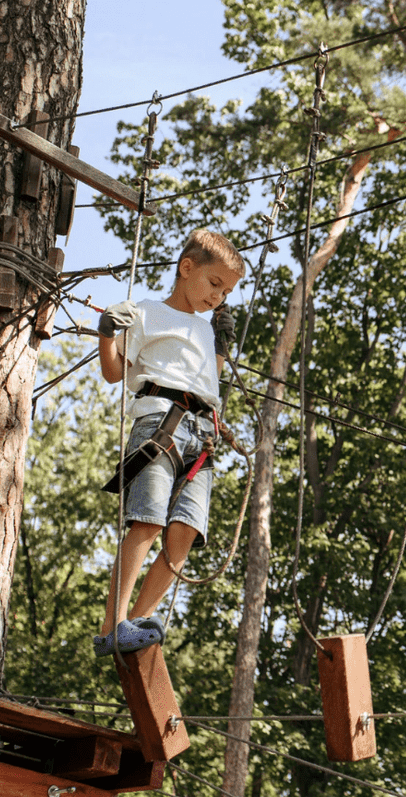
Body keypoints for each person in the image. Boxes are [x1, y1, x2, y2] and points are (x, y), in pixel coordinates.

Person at [93, 229, 244, 655]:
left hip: (203, 434)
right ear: (186, 268)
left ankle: (137, 621)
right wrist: (106, 333)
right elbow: (113, 372)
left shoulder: (206, 328)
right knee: (148, 519)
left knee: (184, 534)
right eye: (214, 284)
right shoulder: (147, 313)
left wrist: (220, 343)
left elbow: (207, 380)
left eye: (226, 291)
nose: (218, 297)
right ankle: (114, 623)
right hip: (162, 422)